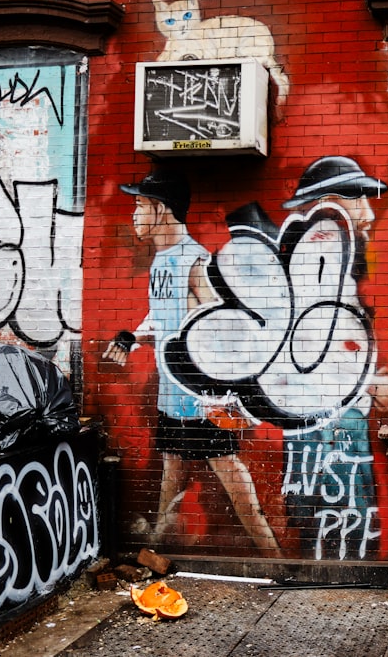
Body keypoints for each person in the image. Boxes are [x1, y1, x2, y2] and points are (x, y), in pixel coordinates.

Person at [103, 170, 282, 555]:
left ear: (162, 210)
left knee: (236, 485)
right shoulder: (159, 263)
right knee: (171, 478)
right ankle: (154, 553)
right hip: (171, 399)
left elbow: (223, 328)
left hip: (200, 403)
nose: (133, 214)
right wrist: (131, 337)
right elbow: (165, 321)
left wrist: (224, 392)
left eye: (139, 205)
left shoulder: (195, 263)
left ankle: (280, 563)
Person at [278, 156, 388, 559]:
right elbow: (318, 344)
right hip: (330, 421)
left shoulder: (321, 260)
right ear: (330, 204)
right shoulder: (321, 259)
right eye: (358, 199)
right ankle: (338, 585)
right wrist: (369, 382)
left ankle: (329, 578)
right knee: (347, 523)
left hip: (319, 417)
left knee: (325, 522)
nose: (367, 213)